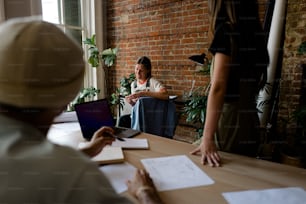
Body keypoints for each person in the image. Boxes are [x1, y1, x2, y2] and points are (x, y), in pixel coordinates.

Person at [0, 17, 163, 204]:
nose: (137, 73)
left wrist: (88, 150)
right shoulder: (74, 175)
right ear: (65, 101)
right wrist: (145, 191)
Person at [190, 0, 269, 167]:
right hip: (250, 121)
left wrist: (207, 138)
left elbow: (218, 88)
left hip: (228, 124)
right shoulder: (256, 34)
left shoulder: (226, 32)